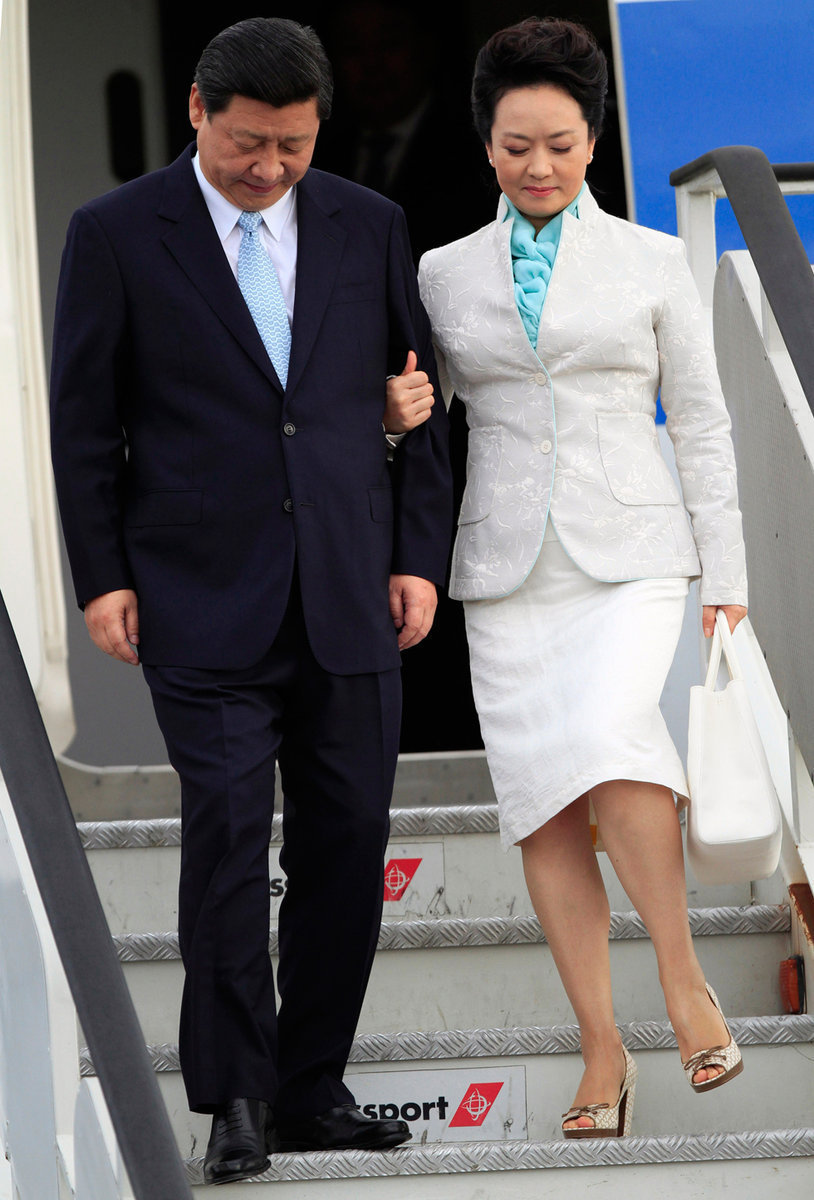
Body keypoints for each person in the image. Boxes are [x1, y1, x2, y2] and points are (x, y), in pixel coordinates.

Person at [50, 17, 451, 1184]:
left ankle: (311, 1087)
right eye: (247, 146)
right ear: (195, 113)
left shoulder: (368, 225)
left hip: (346, 590)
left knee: (348, 842)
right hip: (195, 595)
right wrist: (103, 575)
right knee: (227, 838)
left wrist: (415, 553)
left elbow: (413, 398)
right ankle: (234, 1096)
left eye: (293, 144)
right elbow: (83, 426)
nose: (269, 168)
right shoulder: (116, 233)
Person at [387, 17, 747, 1139]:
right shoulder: (441, 273)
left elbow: (699, 422)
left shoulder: (648, 259)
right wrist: (393, 419)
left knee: (610, 730)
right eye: (513, 147)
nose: (536, 167)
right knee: (542, 804)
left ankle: (682, 979)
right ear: (484, 145)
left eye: (558, 143)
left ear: (591, 137)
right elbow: (420, 412)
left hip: (633, 554)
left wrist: (725, 575)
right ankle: (602, 1045)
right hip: (502, 569)